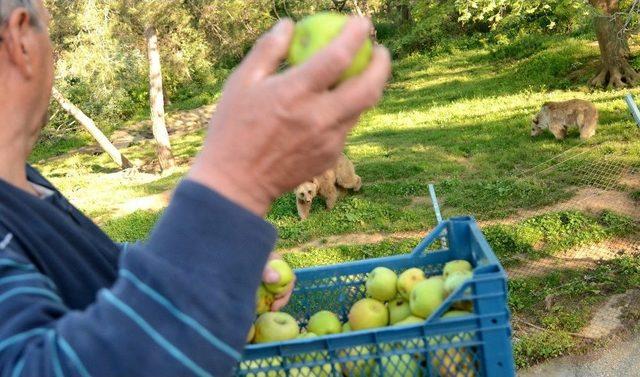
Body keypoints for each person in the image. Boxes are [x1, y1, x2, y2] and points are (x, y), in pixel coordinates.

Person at [0, 0, 390, 376]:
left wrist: (213, 263)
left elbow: (87, 279)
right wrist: (238, 181)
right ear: (21, 38)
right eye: (48, 24)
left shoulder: (24, 184)